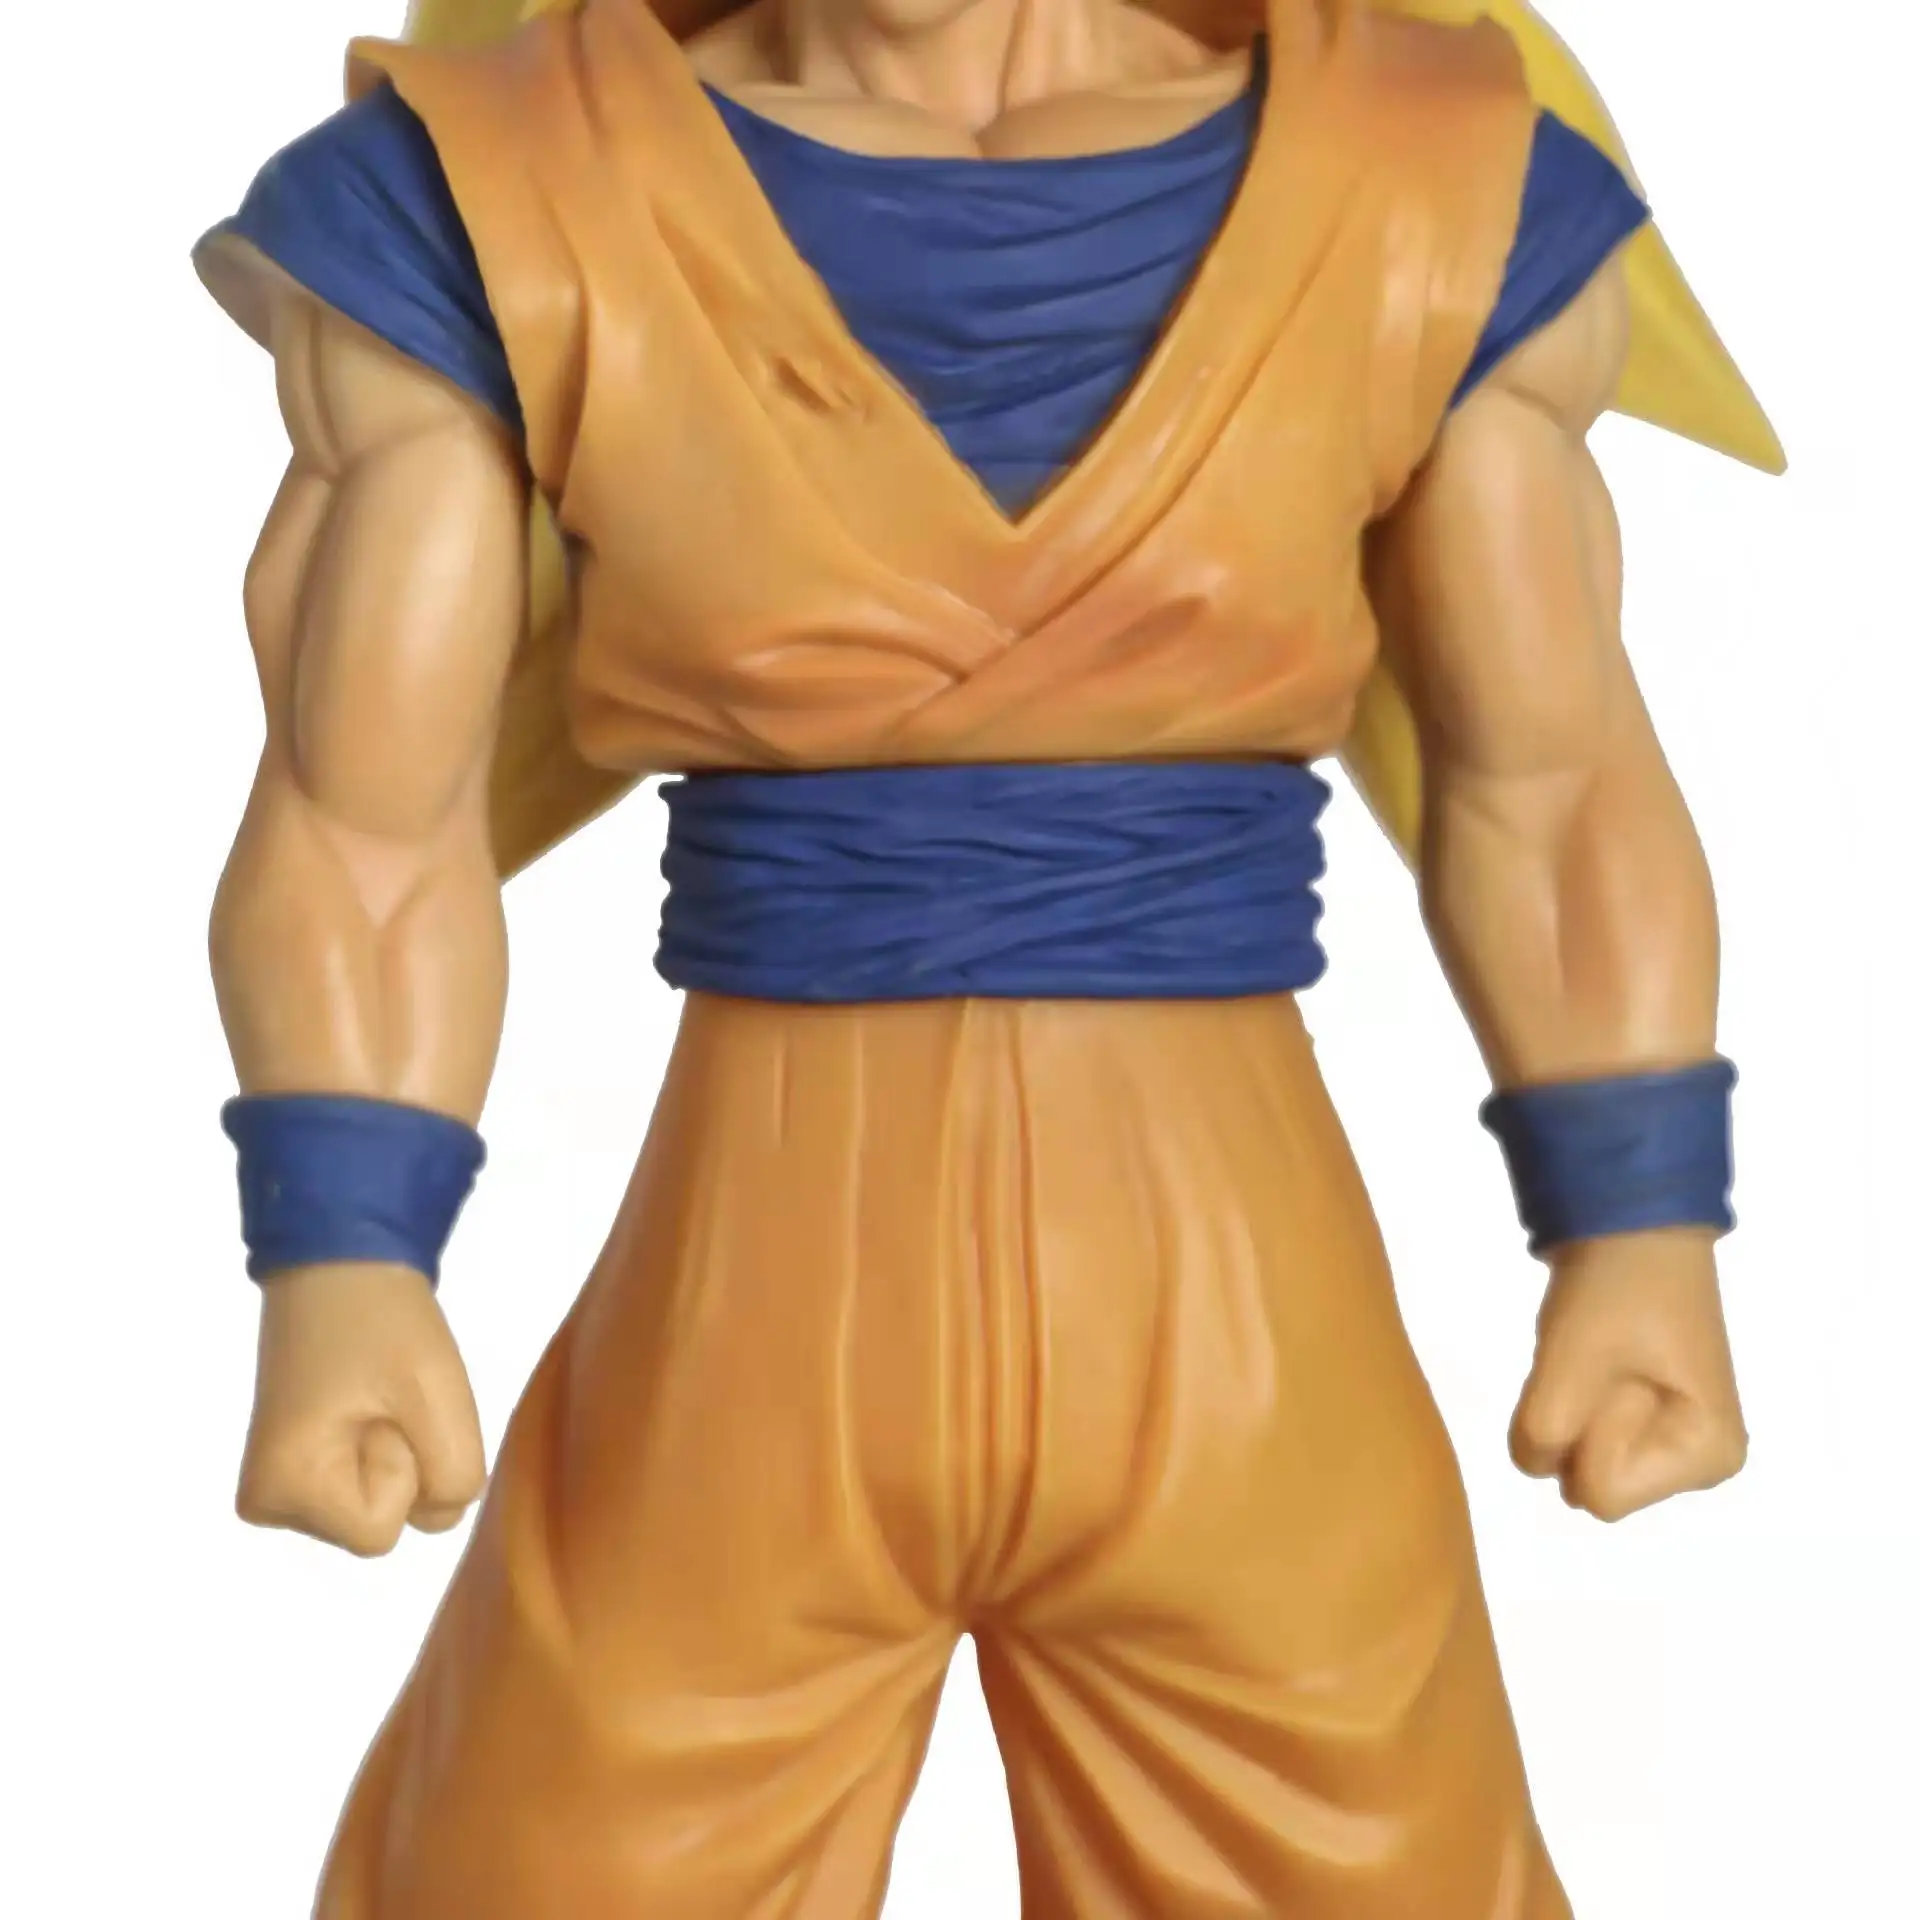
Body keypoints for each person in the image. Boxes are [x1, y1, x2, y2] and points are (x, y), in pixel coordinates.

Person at [193, 0, 1781, 1911]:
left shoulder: (1435, 183)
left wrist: (1641, 1228)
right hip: (749, 1329)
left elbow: (1557, 784)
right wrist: (346, 1256)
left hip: (1235, 1325)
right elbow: (364, 818)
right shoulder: (491, 194)